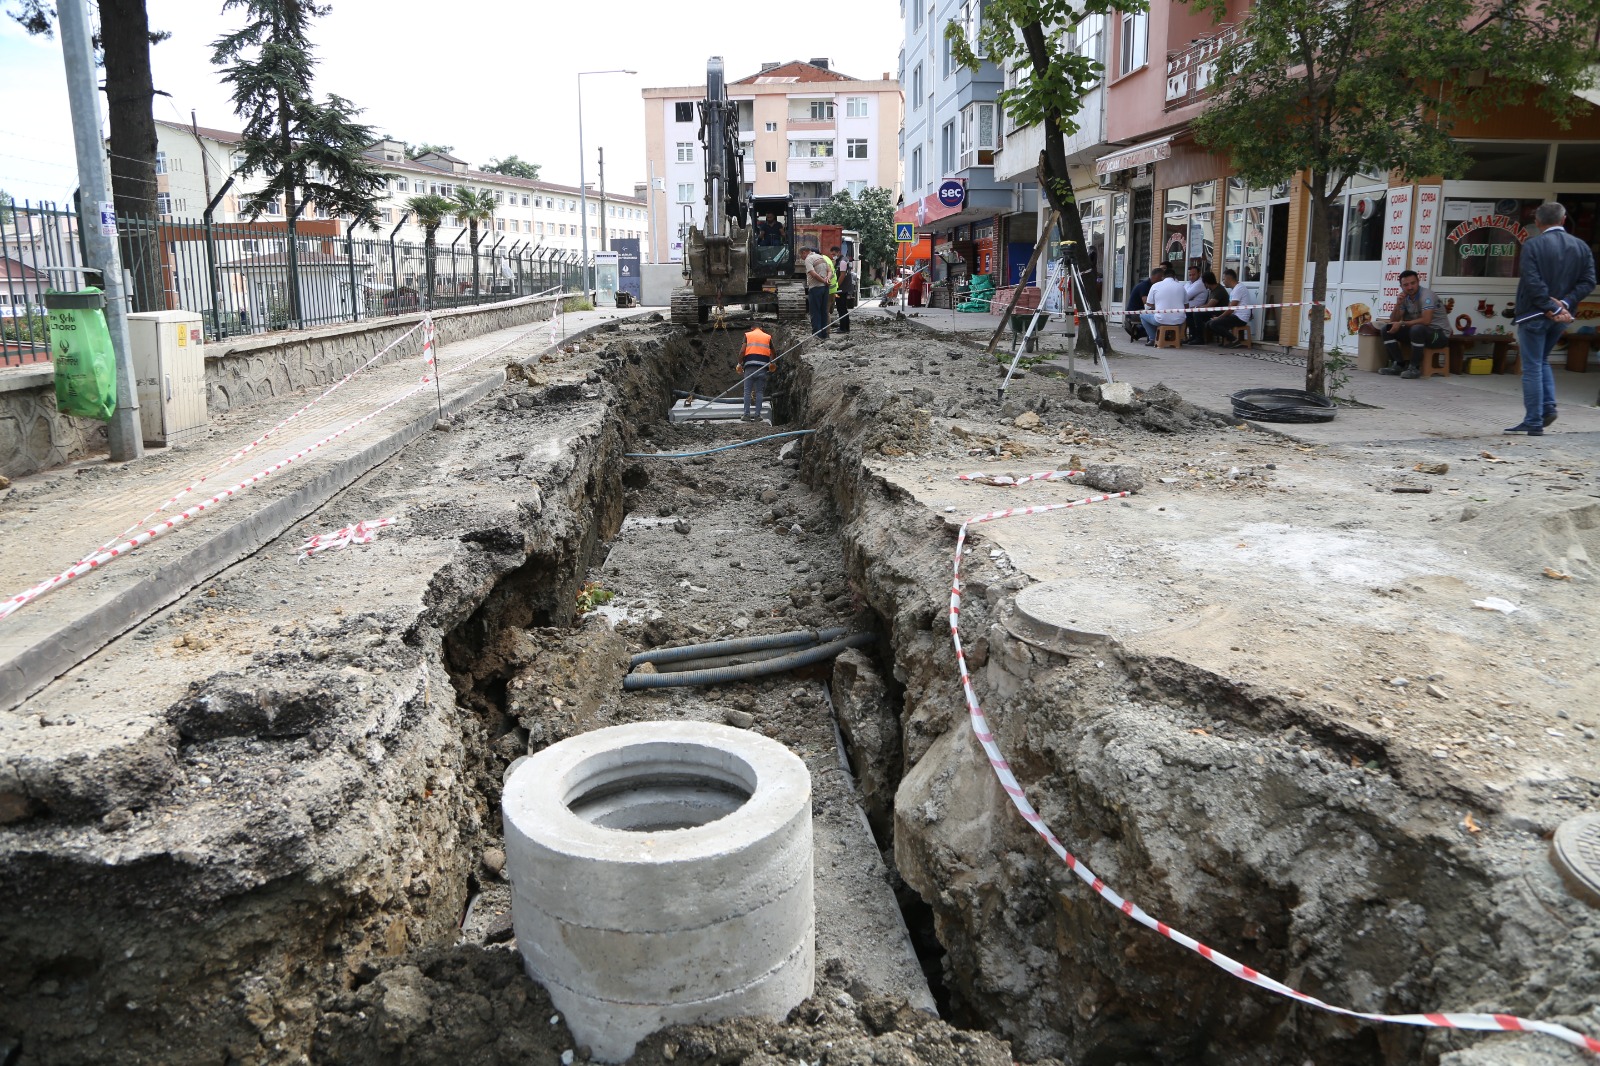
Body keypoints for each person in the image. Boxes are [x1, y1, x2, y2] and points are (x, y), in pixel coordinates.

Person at [1507, 202, 1596, 435]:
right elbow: (1588, 281)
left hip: (1534, 313)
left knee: (1533, 366)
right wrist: (1565, 303)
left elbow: (1532, 282)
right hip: (1563, 315)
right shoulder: (1581, 246)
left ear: (1537, 222)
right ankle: (1547, 408)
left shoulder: (1532, 246)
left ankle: (1534, 421)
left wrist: (1551, 307)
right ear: (1564, 219)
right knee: (1543, 361)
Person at [1379, 270, 1452, 379]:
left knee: (1417, 329)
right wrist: (1398, 304)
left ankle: (1414, 367)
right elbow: (1393, 320)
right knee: (1386, 329)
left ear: (1418, 282)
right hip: (1419, 333)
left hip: (1439, 335)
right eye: (1406, 285)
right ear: (1401, 286)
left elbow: (1426, 321)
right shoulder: (1405, 297)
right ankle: (1398, 364)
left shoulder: (1427, 295)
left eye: (1413, 283)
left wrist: (1402, 323)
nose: (1410, 287)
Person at [1139, 266, 1187, 345]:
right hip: (1179, 320)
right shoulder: (1181, 287)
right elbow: (1186, 306)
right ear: (1175, 277)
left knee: (1142, 315)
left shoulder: (1155, 286)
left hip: (1160, 319)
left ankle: (1153, 338)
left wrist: (1159, 305)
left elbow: (1149, 304)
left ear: (1163, 277)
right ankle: (1175, 338)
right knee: (1181, 317)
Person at [1205, 269, 1253, 346]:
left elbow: (1231, 309)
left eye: (1224, 279)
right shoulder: (1234, 289)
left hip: (1240, 317)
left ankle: (1234, 340)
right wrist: (1219, 317)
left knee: (1213, 324)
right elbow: (1230, 307)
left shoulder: (1239, 289)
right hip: (1234, 315)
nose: (1223, 281)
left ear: (1229, 278)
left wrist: (1219, 318)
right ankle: (1228, 339)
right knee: (1208, 324)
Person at [736, 324, 774, 421]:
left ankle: (746, 415)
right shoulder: (767, 337)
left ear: (752, 328)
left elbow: (742, 352)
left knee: (747, 391)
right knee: (759, 392)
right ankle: (757, 415)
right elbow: (774, 352)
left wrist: (739, 364)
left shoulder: (748, 335)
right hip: (763, 368)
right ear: (761, 328)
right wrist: (772, 363)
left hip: (749, 367)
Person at [803, 243, 834, 339]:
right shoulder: (821, 257)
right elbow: (830, 271)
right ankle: (824, 334)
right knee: (823, 311)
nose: (802, 257)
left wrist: (823, 280)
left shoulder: (808, 259)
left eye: (801, 255)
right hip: (825, 288)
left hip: (816, 288)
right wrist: (827, 280)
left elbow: (813, 274)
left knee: (815, 312)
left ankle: (817, 335)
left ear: (804, 252)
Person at [1124, 267, 1159, 342]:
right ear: (1155, 277)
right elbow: (1146, 302)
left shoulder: (1149, 285)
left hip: (1138, 311)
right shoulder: (1145, 286)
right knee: (1156, 317)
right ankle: (1141, 332)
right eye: (1159, 279)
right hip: (1134, 313)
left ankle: (1142, 332)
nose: (1160, 281)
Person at [1183, 263, 1209, 343]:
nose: (1191, 277)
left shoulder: (1200, 283)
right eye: (1190, 275)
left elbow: (1185, 297)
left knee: (1189, 315)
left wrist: (1188, 298)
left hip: (1197, 309)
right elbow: (1183, 295)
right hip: (1189, 308)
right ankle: (1191, 336)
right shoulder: (1188, 283)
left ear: (1199, 273)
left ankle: (1197, 337)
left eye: (1193, 274)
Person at [834, 252, 856, 334]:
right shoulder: (844, 260)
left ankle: (843, 328)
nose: (833, 256)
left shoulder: (842, 262)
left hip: (841, 290)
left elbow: (842, 275)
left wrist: (836, 286)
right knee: (843, 308)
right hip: (844, 289)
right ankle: (845, 328)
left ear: (838, 252)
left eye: (833, 254)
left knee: (841, 308)